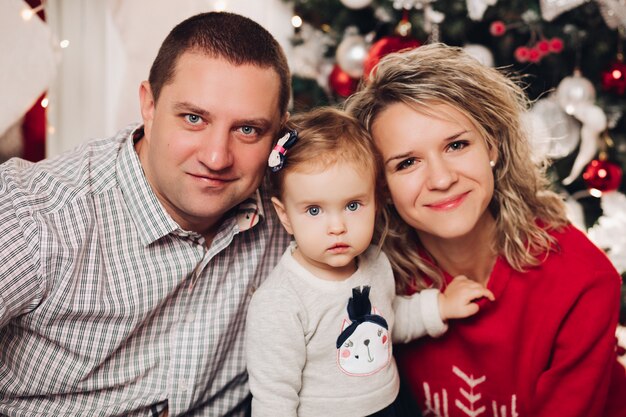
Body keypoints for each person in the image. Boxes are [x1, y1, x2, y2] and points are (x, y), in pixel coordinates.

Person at [0, 12, 292, 416]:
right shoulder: (35, 217)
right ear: (150, 106)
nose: (216, 157)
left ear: (279, 135)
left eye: (248, 130)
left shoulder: (297, 211)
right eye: (194, 118)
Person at [346, 42, 626, 417]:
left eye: (457, 145)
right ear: (381, 185)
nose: (442, 179)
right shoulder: (368, 283)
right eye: (407, 162)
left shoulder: (582, 279)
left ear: (491, 145)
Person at [244, 107, 495, 417]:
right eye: (313, 211)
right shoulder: (280, 301)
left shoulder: (375, 262)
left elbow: (388, 319)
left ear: (376, 202)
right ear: (285, 216)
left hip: (391, 403)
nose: (336, 226)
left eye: (352, 205)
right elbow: (274, 397)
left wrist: (439, 306)